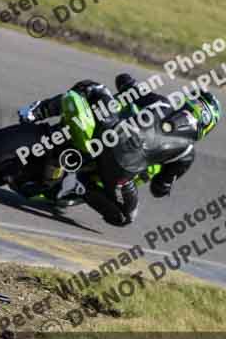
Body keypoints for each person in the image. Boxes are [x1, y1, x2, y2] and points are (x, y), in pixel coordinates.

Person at [17, 75, 221, 227]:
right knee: (124, 217)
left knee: (91, 87)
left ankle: (36, 111)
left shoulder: (161, 102)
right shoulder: (186, 154)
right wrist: (164, 182)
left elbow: (129, 86)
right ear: (207, 127)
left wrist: (127, 81)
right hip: (120, 171)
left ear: (189, 103)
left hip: (108, 131)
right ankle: (79, 185)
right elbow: (159, 188)